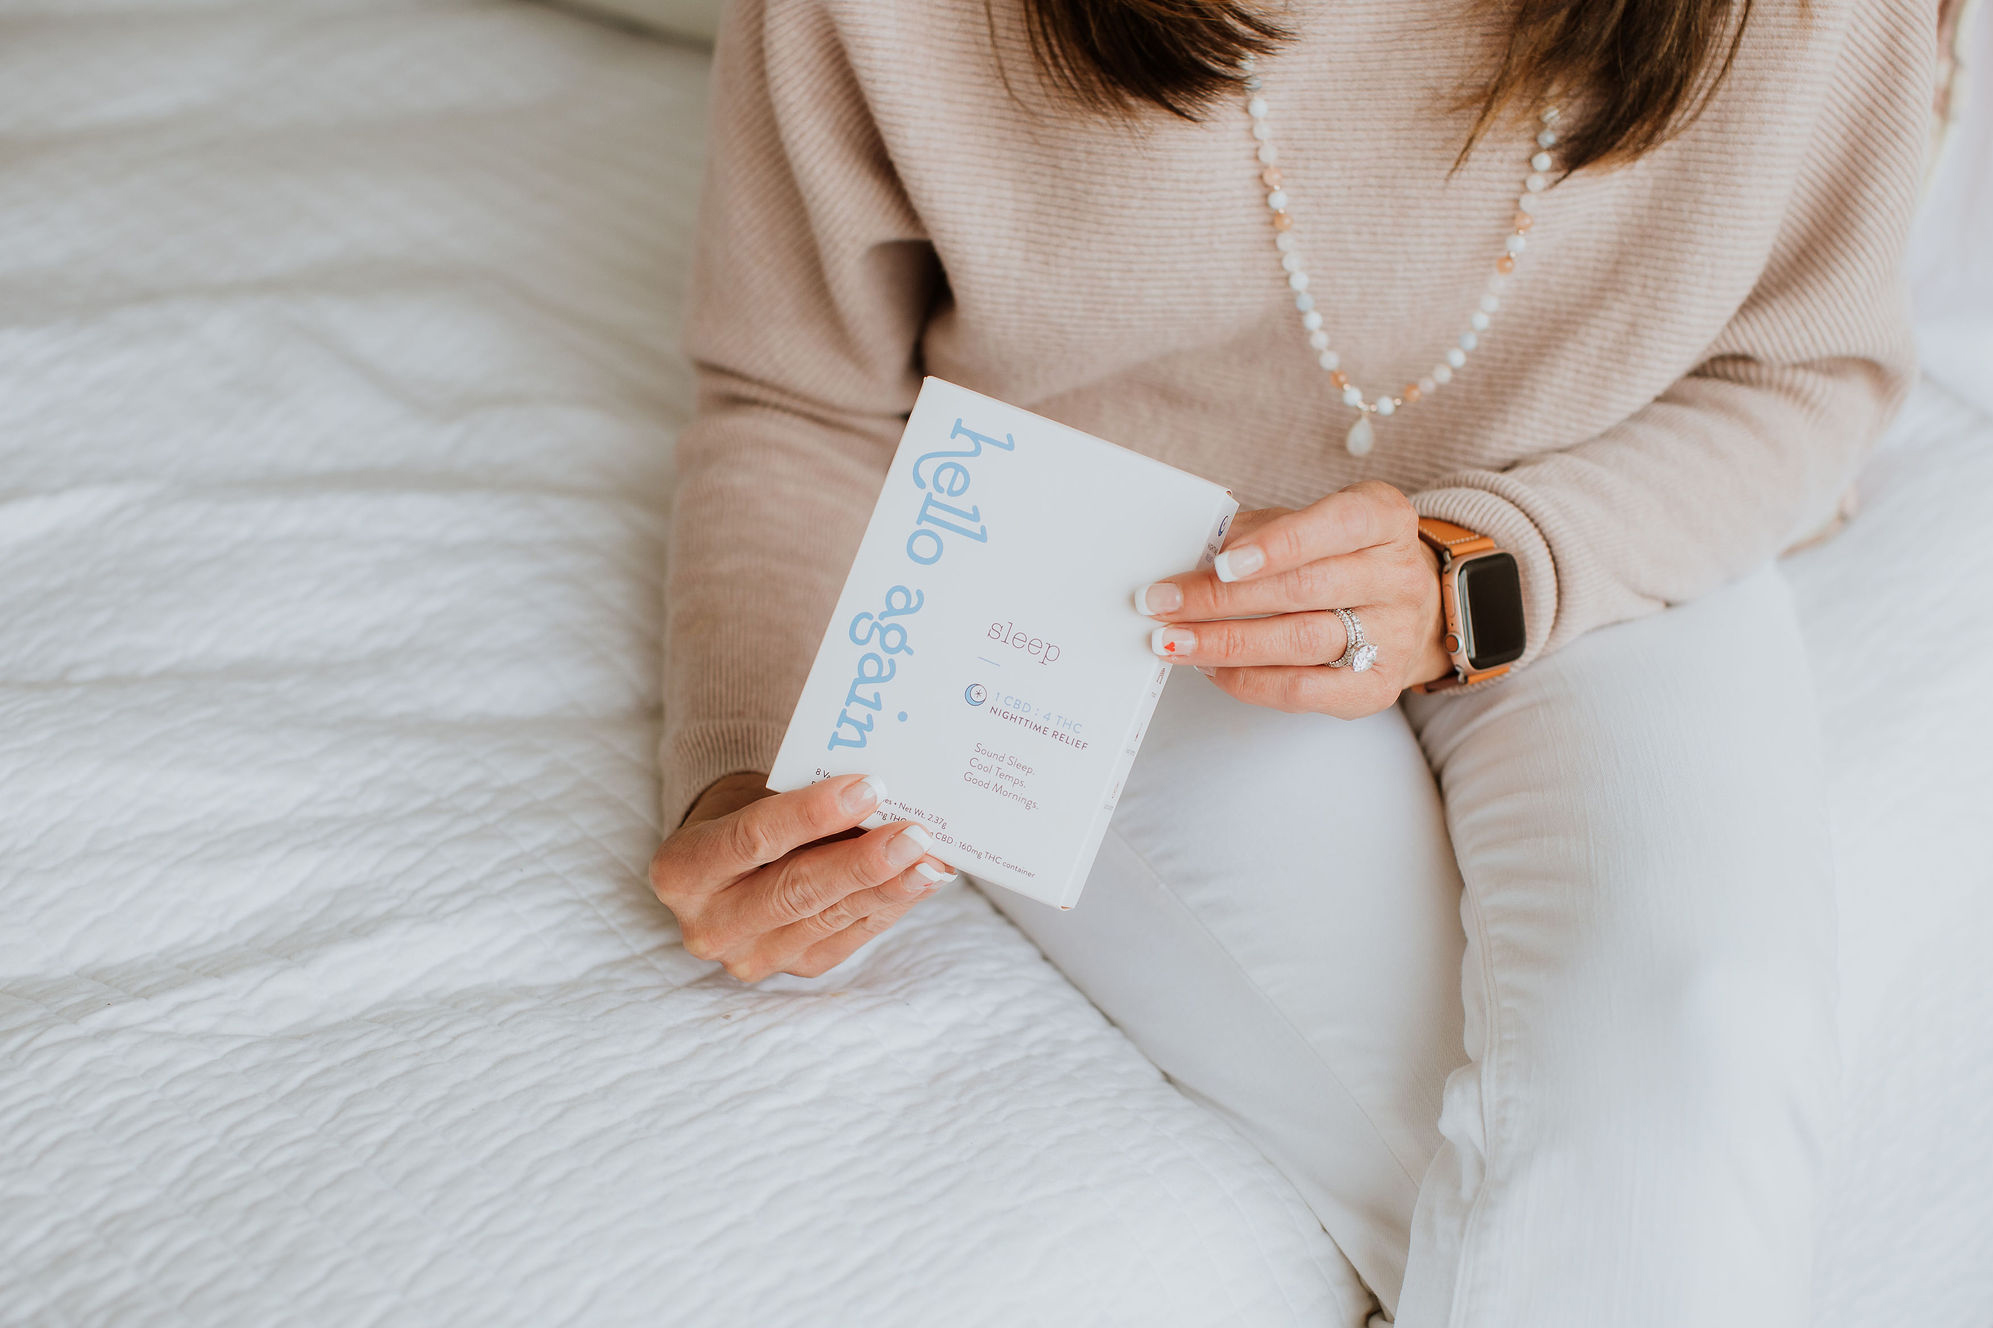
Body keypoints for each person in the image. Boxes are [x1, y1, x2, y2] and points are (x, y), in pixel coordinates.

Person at [648, 1, 1935, 1322]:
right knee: (1575, 1167)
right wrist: (755, 775)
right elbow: (796, 399)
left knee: (1704, 1033)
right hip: (1102, 568)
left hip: (1604, 508)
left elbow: (1805, 373)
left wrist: (1471, 579)